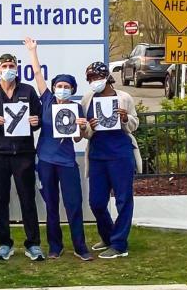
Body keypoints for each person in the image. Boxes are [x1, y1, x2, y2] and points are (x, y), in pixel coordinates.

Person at [25, 38, 93, 261]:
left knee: (74, 204)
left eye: (66, 87)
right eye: (59, 86)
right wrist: (33, 51)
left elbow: (75, 139)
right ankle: (55, 246)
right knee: (51, 205)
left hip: (67, 163)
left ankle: (80, 246)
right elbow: (37, 74)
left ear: (72, 89)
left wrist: (81, 129)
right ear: (53, 88)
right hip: (45, 160)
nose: (62, 90)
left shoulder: (76, 108)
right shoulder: (46, 101)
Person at [0, 53, 44, 261]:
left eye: (11, 65)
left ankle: (33, 244)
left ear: (17, 68)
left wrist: (36, 121)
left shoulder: (28, 90)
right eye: (4, 65)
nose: (8, 68)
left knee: (27, 199)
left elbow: (40, 118)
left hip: (23, 153)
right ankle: (5, 243)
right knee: (1, 200)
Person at [81, 62, 140, 259]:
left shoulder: (124, 97)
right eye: (90, 79)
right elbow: (86, 132)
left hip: (120, 154)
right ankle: (108, 236)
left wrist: (125, 119)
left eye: (96, 78)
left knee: (123, 199)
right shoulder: (88, 99)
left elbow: (134, 123)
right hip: (98, 155)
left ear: (106, 77)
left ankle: (119, 244)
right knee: (96, 202)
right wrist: (89, 127)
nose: (93, 82)